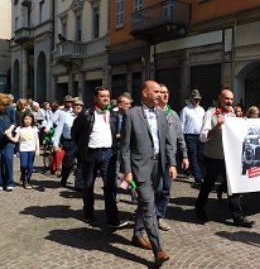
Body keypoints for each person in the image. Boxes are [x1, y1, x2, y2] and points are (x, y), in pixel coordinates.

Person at [121, 80, 176, 265]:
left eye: (162, 92)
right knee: (149, 206)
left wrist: (172, 164)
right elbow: (125, 147)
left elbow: (168, 142)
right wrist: (127, 171)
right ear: (145, 93)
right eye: (156, 91)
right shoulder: (131, 114)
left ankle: (137, 235)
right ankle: (158, 249)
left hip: (158, 168)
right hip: (140, 168)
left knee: (146, 204)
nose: (160, 95)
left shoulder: (161, 114)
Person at [195, 89, 255, 227]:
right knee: (208, 185)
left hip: (229, 158)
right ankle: (199, 209)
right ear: (220, 98)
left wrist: (244, 125)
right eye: (227, 98)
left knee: (233, 187)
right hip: (213, 157)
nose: (229, 101)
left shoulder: (233, 115)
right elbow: (203, 137)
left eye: (231, 99)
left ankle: (238, 217)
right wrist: (217, 126)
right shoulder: (210, 113)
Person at [71, 87, 126, 229]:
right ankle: (88, 213)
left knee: (110, 186)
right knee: (88, 185)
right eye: (102, 96)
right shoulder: (86, 114)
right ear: (95, 98)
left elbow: (115, 133)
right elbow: (75, 133)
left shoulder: (114, 115)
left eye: (108, 96)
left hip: (109, 154)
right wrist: (82, 149)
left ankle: (113, 219)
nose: (106, 98)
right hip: (90, 154)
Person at [156, 84, 189, 231]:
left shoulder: (173, 114)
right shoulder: (152, 113)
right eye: (162, 92)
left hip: (171, 158)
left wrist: (185, 156)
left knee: (166, 189)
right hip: (155, 158)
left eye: (166, 92)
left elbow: (180, 136)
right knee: (155, 189)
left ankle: (159, 216)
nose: (165, 95)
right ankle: (150, 214)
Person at [52, 97, 83, 188]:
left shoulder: (85, 116)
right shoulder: (65, 115)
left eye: (80, 105)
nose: (78, 106)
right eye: (76, 104)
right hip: (69, 142)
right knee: (68, 163)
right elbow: (59, 130)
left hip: (82, 143)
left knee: (81, 163)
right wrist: (55, 143)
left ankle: (79, 184)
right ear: (72, 106)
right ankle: (64, 179)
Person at [7, 113, 40, 189]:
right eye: (26, 119)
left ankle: (27, 180)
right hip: (23, 150)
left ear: (32, 120)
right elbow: (15, 139)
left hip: (32, 150)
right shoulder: (19, 128)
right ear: (23, 120)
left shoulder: (34, 128)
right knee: (23, 165)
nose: (27, 121)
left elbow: (37, 139)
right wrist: (9, 136)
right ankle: (23, 175)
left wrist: (37, 149)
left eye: (29, 119)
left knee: (30, 166)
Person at [179, 89, 205, 184]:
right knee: (193, 156)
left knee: (198, 157)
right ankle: (198, 178)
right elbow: (181, 124)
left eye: (198, 99)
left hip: (200, 136)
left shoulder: (202, 110)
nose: (197, 100)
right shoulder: (186, 110)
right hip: (189, 136)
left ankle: (188, 170)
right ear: (191, 99)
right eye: (195, 99)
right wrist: (181, 138)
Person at [0, 93, 16, 191]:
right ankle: (1, 182)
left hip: (9, 139)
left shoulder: (10, 109)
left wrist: (10, 130)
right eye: (3, 105)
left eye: (6, 105)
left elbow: (14, 122)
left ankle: (10, 182)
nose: (4, 107)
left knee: (8, 159)